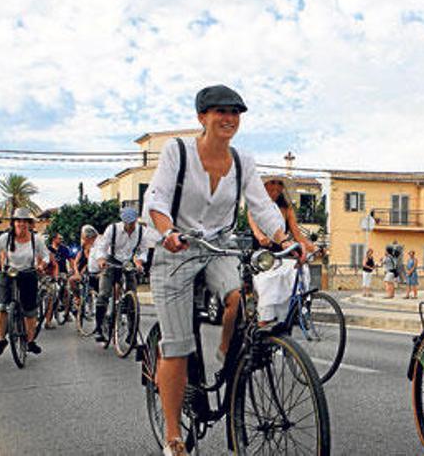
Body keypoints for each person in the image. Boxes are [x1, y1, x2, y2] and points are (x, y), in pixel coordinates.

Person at [143, 84, 289, 456]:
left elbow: (262, 206)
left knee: (238, 295)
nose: (228, 119)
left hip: (219, 246)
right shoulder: (178, 152)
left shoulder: (242, 162)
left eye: (235, 112)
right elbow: (156, 199)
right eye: (220, 111)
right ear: (202, 118)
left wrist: (286, 239)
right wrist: (167, 232)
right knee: (176, 346)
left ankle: (226, 352)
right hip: (176, 250)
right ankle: (173, 435)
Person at [248, 177, 316, 325]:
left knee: (300, 270)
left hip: (281, 254)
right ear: (264, 186)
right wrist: (260, 236)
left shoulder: (286, 209)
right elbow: (254, 226)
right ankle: (263, 320)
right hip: (263, 255)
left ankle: (292, 312)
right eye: (272, 182)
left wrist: (314, 248)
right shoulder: (256, 205)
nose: (276, 186)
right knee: (268, 281)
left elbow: (297, 235)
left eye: (279, 183)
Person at [0, 208, 50, 357]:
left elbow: (46, 256)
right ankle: (1, 339)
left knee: (30, 309)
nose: (21, 224)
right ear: (13, 222)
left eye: (24, 221)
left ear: (29, 224)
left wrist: (41, 265)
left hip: (28, 273)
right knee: (3, 305)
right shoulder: (5, 238)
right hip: (9, 272)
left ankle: (30, 341)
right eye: (18, 221)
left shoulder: (37, 240)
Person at [92, 207, 147, 344]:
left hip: (128, 263)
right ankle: (98, 328)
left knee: (132, 297)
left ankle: (132, 334)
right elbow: (101, 247)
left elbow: (142, 251)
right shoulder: (113, 229)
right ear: (122, 221)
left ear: (136, 220)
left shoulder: (141, 232)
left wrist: (139, 262)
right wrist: (101, 260)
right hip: (111, 261)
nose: (129, 226)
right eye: (127, 223)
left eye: (132, 223)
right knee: (104, 293)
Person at [67, 225, 100, 319]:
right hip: (81, 273)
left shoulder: (94, 250)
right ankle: (76, 297)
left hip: (90, 272)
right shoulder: (81, 251)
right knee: (72, 280)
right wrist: (76, 272)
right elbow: (75, 263)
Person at [43, 232, 74, 329]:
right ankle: (48, 320)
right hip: (49, 273)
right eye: (59, 238)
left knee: (67, 291)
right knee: (50, 296)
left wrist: (72, 270)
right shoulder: (47, 249)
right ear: (54, 239)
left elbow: (70, 259)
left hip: (62, 272)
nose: (61, 240)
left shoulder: (64, 248)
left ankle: (66, 312)